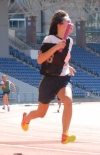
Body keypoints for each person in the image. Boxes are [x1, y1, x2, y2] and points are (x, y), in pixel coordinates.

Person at [21, 9, 77, 144]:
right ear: (59, 24)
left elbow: (62, 58)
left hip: (63, 78)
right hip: (49, 79)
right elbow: (40, 60)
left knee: (68, 100)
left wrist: (67, 66)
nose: (71, 24)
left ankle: (65, 134)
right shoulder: (49, 39)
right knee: (41, 113)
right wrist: (56, 47)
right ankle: (26, 119)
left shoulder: (70, 41)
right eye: (68, 21)